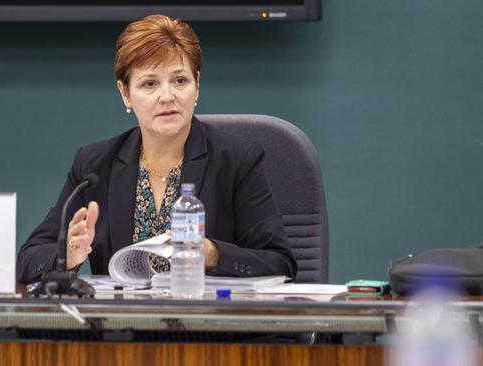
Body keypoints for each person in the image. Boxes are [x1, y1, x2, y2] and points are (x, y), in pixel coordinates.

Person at [16, 14, 296, 283]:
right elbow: (27, 260)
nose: (167, 96)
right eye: (150, 83)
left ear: (196, 87)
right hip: (122, 327)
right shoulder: (94, 166)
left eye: (180, 81)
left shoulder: (236, 160)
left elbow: (279, 263)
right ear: (125, 93)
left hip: (210, 326)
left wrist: (212, 253)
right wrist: (66, 255)